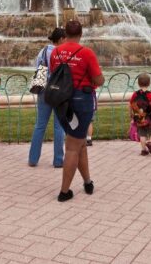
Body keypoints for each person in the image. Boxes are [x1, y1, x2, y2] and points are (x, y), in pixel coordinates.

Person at [49, 19, 104, 202]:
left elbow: (54, 73)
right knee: (73, 146)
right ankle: (64, 192)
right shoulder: (86, 53)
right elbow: (98, 80)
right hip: (81, 101)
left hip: (61, 102)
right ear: (81, 34)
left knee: (79, 142)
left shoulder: (55, 52)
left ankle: (87, 181)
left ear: (65, 34)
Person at [28, 28, 66, 167]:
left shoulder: (43, 51)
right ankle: (58, 160)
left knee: (40, 125)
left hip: (43, 90)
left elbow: (38, 67)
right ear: (61, 39)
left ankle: (33, 159)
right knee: (59, 127)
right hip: (58, 91)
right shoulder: (61, 52)